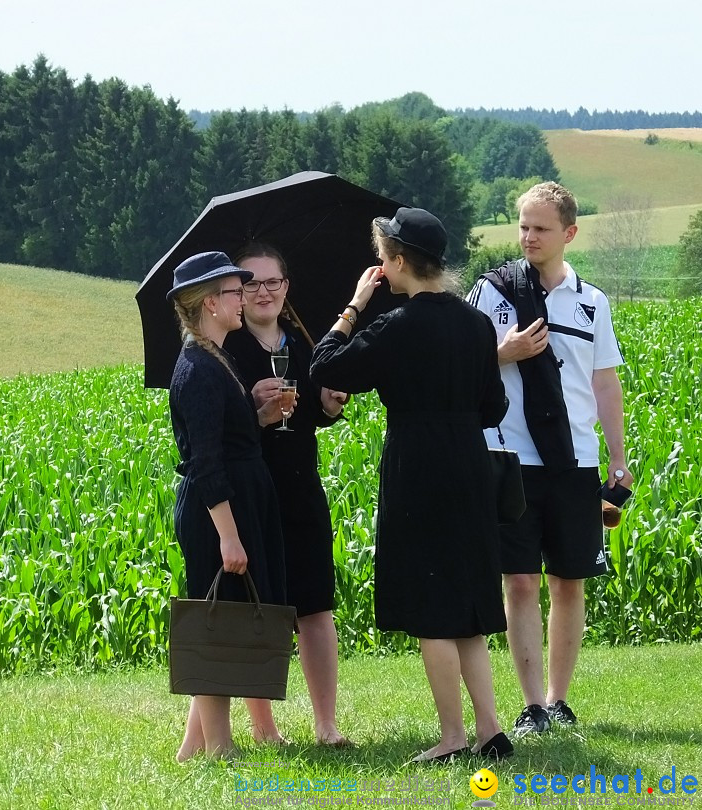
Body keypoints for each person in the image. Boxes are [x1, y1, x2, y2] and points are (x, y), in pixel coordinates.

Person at [310, 208, 513, 762]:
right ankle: (490, 728)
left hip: (418, 468)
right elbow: (494, 406)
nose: (379, 267)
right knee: (468, 603)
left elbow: (326, 366)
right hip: (470, 464)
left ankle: (451, 736)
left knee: (430, 604)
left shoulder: (396, 325)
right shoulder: (476, 325)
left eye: (382, 258)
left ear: (399, 261)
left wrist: (353, 306)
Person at [465, 181, 632, 735]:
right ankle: (531, 703)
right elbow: (459, 367)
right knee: (520, 582)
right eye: (523, 225)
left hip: (574, 462)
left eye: (540, 227)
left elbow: (604, 382)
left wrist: (618, 455)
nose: (529, 236)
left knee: (568, 581)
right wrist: (501, 352)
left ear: (569, 233)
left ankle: (559, 701)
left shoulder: (592, 301)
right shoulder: (493, 292)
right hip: (508, 455)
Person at [222, 243, 352, 748]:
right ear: (236, 292)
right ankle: (264, 728)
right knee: (265, 610)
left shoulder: (302, 345)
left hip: (302, 490)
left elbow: (313, 416)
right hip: (253, 493)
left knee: (316, 607)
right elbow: (223, 435)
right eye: (251, 284)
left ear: (286, 288)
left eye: (273, 282)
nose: (263, 292)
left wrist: (330, 404)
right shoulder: (227, 351)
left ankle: (326, 725)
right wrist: (256, 417)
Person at [167, 250, 288, 762]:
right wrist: (229, 535)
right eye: (237, 291)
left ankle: (194, 745)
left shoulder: (216, 358)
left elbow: (228, 438)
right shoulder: (197, 369)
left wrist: (259, 415)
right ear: (211, 303)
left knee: (224, 616)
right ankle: (218, 747)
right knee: (216, 624)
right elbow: (206, 462)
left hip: (237, 502)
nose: (246, 298)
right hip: (218, 511)